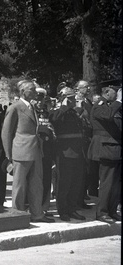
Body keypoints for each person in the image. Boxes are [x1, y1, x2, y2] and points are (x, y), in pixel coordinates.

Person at [1, 79, 54, 223]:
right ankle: (17, 215)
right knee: (19, 186)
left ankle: (37, 214)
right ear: (23, 92)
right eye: (31, 89)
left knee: (36, 184)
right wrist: (8, 156)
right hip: (21, 152)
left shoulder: (32, 107)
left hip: (36, 151)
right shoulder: (15, 108)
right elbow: (6, 133)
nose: (35, 92)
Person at [49, 87, 86, 222]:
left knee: (75, 183)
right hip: (65, 152)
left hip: (77, 152)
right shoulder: (57, 112)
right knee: (64, 183)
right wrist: (64, 106)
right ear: (63, 99)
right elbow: (54, 120)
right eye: (70, 98)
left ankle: (72, 209)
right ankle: (63, 210)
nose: (73, 100)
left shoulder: (73, 113)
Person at [87, 80, 122, 223]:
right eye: (117, 91)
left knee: (116, 183)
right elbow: (107, 116)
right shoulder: (99, 105)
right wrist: (119, 101)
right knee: (107, 182)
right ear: (107, 92)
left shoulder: (114, 107)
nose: (119, 93)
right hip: (106, 148)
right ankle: (102, 212)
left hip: (116, 148)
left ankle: (112, 210)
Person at [34, 87, 56, 217]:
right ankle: (33, 206)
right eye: (37, 100)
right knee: (35, 179)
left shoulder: (47, 114)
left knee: (46, 179)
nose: (39, 102)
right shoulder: (31, 113)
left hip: (47, 150)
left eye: (41, 100)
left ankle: (44, 207)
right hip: (35, 150)